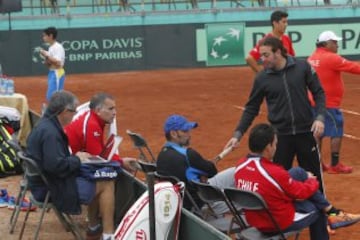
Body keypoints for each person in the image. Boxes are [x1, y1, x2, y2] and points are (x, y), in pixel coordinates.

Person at [225, 36, 326, 191]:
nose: (262, 60)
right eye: (261, 56)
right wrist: (237, 134)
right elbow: (252, 108)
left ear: (278, 52)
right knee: (279, 182)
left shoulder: (302, 67)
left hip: (306, 133)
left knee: (314, 179)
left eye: (266, 55)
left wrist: (319, 118)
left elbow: (319, 93)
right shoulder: (262, 78)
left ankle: (322, 213)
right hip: (279, 138)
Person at [234, 123, 360, 239]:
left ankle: (332, 211)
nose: (276, 148)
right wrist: (311, 181)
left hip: (256, 217)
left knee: (298, 172)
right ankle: (332, 215)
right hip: (275, 223)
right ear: (268, 147)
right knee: (316, 208)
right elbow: (299, 193)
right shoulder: (273, 172)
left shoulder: (240, 166)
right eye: (275, 144)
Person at [26, 91, 116, 240]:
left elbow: (54, 163)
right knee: (106, 181)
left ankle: (94, 227)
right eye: (73, 112)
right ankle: (108, 235)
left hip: (42, 184)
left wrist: (74, 159)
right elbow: (56, 166)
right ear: (64, 112)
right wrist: (77, 160)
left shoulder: (44, 125)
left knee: (95, 177)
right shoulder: (51, 133)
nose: (74, 116)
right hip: (51, 189)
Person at [308, 30, 360, 174]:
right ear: (326, 44)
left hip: (313, 102)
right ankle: (335, 164)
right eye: (334, 42)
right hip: (328, 103)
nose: (337, 45)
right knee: (337, 131)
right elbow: (355, 68)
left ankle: (317, 163)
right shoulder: (331, 58)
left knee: (317, 133)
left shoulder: (312, 57)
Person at [156, 114, 218, 210]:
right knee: (232, 174)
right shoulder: (189, 155)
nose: (189, 134)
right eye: (185, 131)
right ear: (173, 134)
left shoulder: (161, 155)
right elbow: (212, 171)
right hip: (198, 206)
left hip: (174, 207)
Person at [64, 92, 136, 171]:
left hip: (69, 160)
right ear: (98, 110)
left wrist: (120, 160)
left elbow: (101, 152)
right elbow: (98, 159)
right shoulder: (92, 124)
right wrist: (121, 162)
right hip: (67, 166)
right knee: (109, 172)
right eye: (110, 109)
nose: (114, 112)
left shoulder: (94, 119)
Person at [39, 27, 65, 102]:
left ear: (50, 36)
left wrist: (46, 55)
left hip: (57, 73)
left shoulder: (58, 47)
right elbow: (49, 64)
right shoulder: (51, 48)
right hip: (52, 72)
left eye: (44, 35)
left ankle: (56, 113)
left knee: (54, 97)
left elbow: (58, 63)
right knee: (50, 96)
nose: (43, 37)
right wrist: (46, 60)